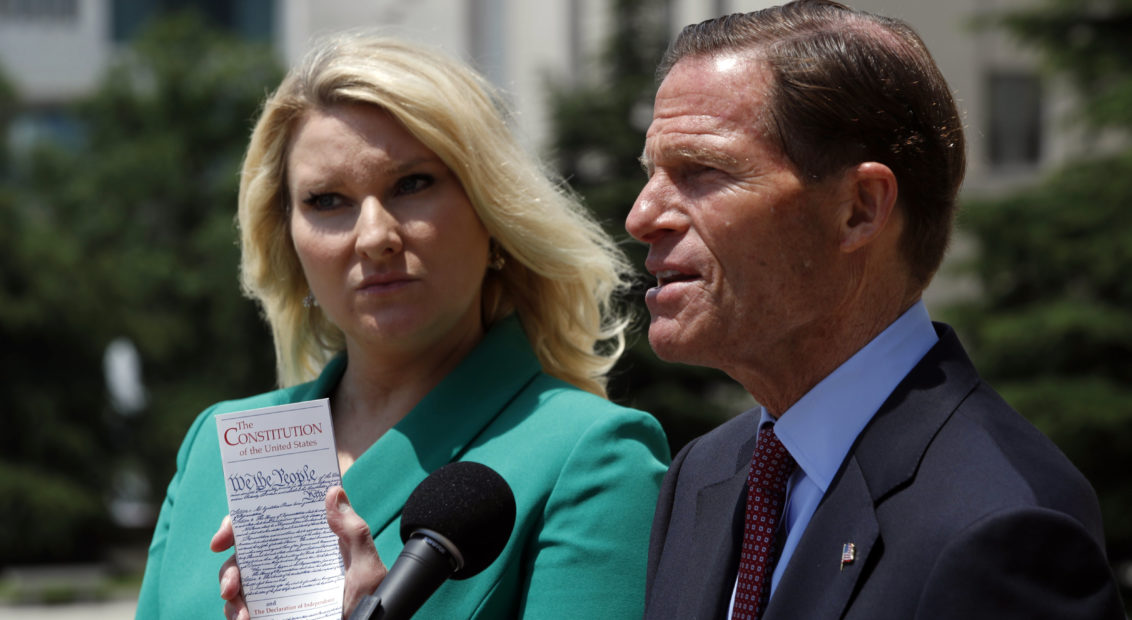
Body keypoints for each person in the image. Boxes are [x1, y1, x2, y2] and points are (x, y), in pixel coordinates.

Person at [133, 33, 669, 620]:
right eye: (327, 200)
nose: (375, 236)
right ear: (289, 242)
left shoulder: (593, 456)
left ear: (490, 210)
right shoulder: (217, 444)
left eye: (412, 184)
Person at [629, 2, 1125, 619]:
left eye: (702, 171)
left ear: (860, 209)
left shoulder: (1002, 527)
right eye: (651, 173)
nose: (643, 216)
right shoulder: (703, 476)